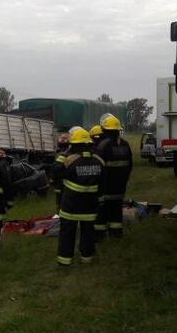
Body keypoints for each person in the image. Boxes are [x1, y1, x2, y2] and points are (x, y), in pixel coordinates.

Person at [57, 127, 103, 266]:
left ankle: (65, 261)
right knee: (88, 233)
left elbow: (55, 173)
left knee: (67, 234)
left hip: (70, 205)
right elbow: (103, 183)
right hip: (90, 205)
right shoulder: (99, 160)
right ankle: (86, 258)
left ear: (73, 144)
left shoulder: (69, 160)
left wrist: (63, 155)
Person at [95, 114, 133, 239]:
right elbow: (129, 165)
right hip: (120, 186)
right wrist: (125, 179)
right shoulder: (125, 145)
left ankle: (99, 235)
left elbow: (97, 167)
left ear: (104, 130)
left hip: (105, 187)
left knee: (101, 212)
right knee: (116, 211)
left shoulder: (102, 145)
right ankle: (116, 234)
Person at [50, 133, 70, 210]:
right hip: (60, 183)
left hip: (62, 183)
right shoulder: (60, 153)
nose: (62, 140)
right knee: (60, 201)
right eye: (61, 138)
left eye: (64, 139)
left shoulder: (65, 153)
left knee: (61, 201)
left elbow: (55, 168)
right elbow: (54, 167)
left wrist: (52, 178)